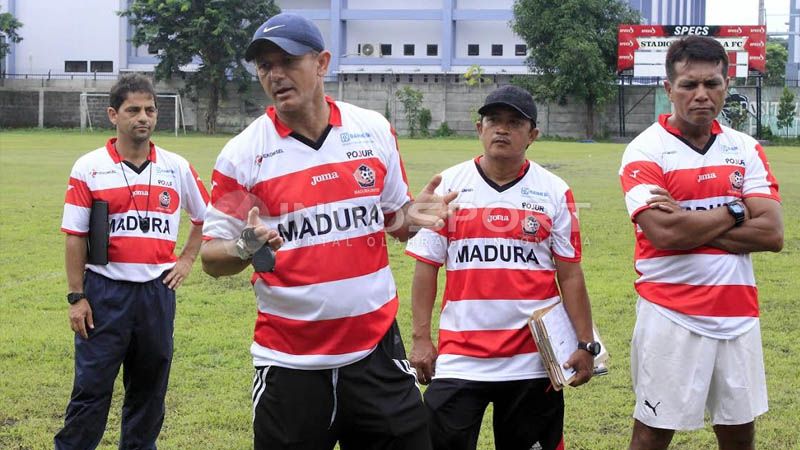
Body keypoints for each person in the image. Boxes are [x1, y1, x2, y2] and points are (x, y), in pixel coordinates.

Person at [200, 13, 455, 450]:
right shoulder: (242, 155)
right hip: (290, 364)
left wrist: (412, 217)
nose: (275, 75)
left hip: (375, 352)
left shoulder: (372, 130)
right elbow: (211, 259)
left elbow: (395, 222)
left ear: (321, 63)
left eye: (287, 61)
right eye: (264, 65)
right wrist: (246, 244)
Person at [405, 85, 598, 450]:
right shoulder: (449, 186)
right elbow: (426, 267)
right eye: (494, 121)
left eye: (514, 122)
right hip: (460, 359)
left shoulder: (555, 191)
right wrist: (420, 339)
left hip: (532, 363)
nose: (502, 130)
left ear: (533, 135)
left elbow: (570, 274)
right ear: (480, 128)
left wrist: (586, 343)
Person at [619, 36, 783, 450]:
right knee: (652, 433)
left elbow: (772, 234)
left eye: (712, 84)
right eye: (689, 85)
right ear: (668, 88)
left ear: (726, 86)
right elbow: (664, 234)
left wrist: (691, 222)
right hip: (670, 313)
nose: (701, 95)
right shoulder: (646, 150)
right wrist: (735, 209)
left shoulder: (744, 148)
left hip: (737, 314)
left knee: (739, 430)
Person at [56, 73, 209, 449]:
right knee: (91, 391)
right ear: (113, 114)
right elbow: (75, 235)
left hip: (157, 294)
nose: (143, 117)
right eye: (133, 110)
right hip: (105, 293)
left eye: (150, 110)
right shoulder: (89, 167)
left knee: (149, 391)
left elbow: (208, 216)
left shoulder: (176, 167)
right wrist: (77, 297)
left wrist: (187, 258)